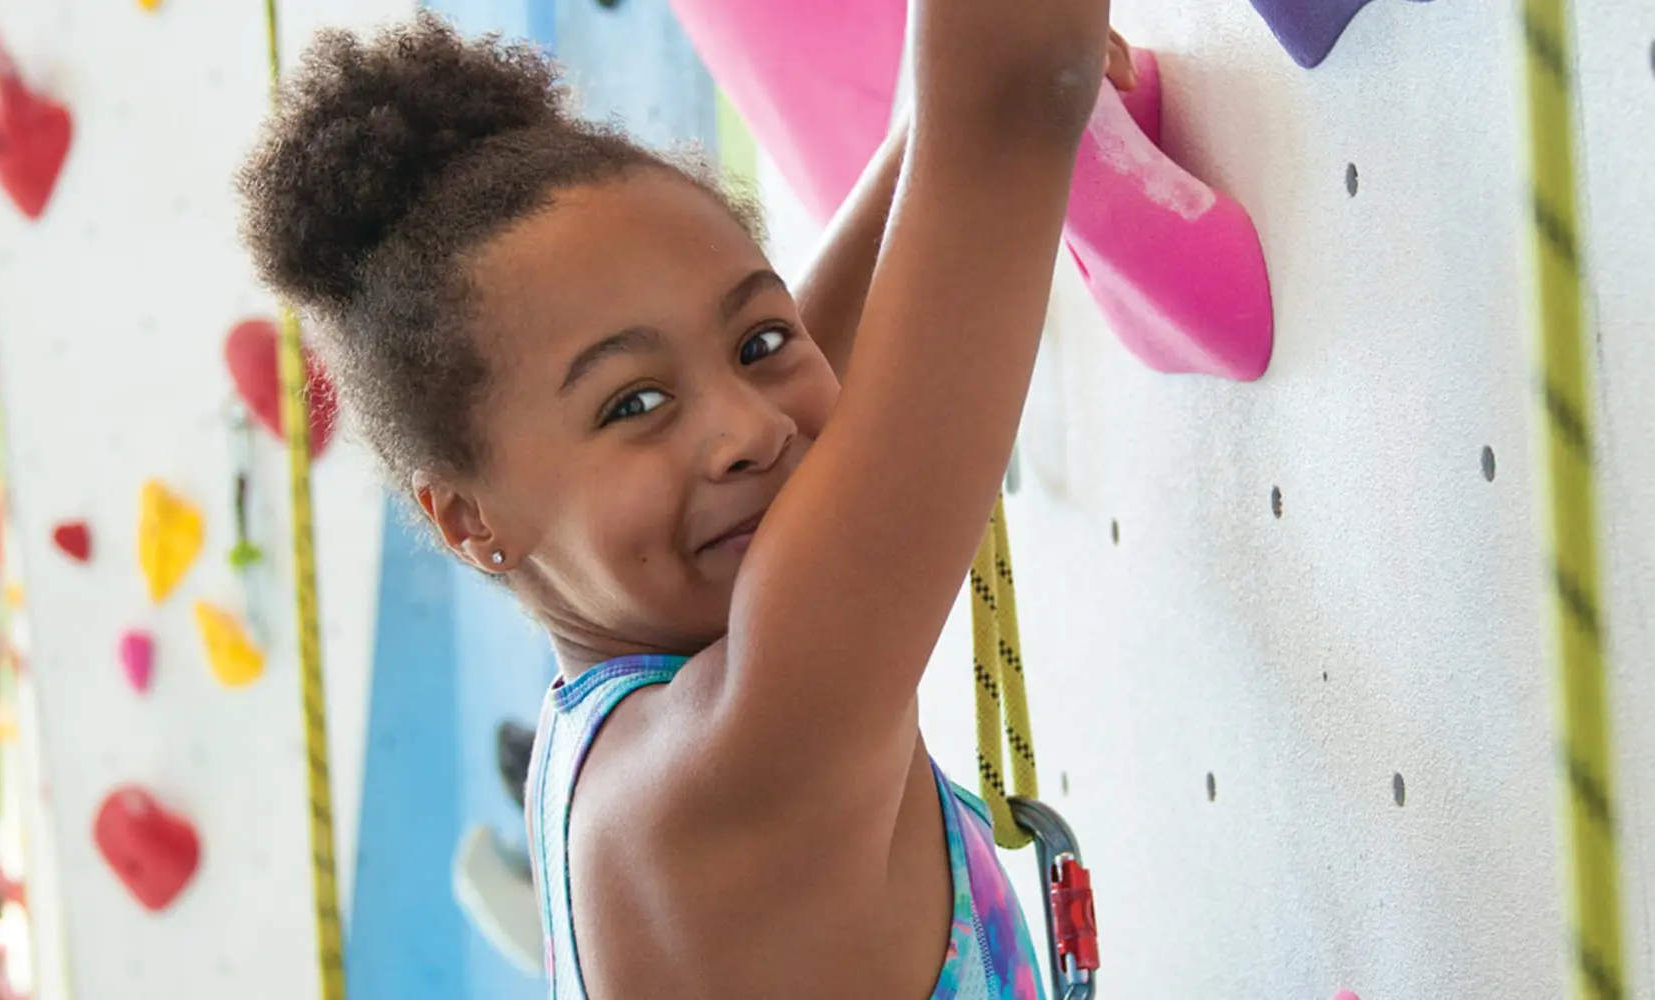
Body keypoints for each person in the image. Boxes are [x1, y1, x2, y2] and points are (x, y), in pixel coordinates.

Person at [239, 3, 1130, 996]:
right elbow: (1007, 97)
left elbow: (827, 356)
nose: (749, 429)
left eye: (754, 342)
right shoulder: (725, 780)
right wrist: (996, 73)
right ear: (470, 518)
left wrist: (919, 130)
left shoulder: (611, 744)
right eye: (635, 403)